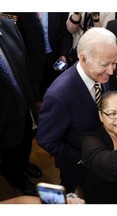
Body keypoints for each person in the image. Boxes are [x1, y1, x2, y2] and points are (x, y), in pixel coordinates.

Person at [36, 27, 117, 193]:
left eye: (114, 62)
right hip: (76, 165)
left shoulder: (100, 73)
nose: (111, 70)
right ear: (83, 58)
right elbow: (45, 140)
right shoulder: (59, 95)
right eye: (104, 65)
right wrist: (82, 158)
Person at [0, 15, 42, 196]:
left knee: (25, 140)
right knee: (8, 150)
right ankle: (16, 178)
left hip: (24, 103)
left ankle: (23, 165)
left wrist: (35, 96)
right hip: (2, 115)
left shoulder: (8, 24)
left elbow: (25, 63)